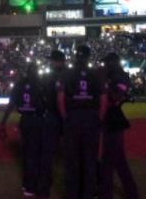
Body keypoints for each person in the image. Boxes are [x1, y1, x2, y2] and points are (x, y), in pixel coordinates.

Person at [58, 45, 107, 199]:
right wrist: (99, 118)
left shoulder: (66, 74)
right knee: (90, 159)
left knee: (72, 160)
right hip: (91, 117)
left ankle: (73, 194)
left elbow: (60, 98)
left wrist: (65, 117)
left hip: (73, 117)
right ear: (88, 57)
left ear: (76, 56)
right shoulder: (97, 74)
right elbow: (103, 99)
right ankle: (88, 194)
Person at [0, 63, 45, 197]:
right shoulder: (40, 83)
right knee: (36, 154)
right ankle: (33, 185)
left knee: (27, 153)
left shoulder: (20, 84)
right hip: (37, 119)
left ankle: (27, 184)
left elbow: (11, 104)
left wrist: (3, 123)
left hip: (25, 119)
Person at [99, 53, 139, 199]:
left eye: (106, 63)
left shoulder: (121, 76)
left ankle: (110, 193)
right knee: (114, 159)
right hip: (110, 118)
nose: (104, 66)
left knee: (112, 160)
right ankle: (128, 192)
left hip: (114, 118)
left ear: (112, 63)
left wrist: (104, 84)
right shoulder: (114, 75)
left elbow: (117, 97)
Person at [37, 50, 66, 198]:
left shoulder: (50, 77)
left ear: (58, 61)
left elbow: (43, 97)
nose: (50, 62)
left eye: (52, 60)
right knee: (70, 155)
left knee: (47, 155)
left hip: (54, 117)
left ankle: (43, 190)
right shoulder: (69, 74)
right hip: (67, 118)